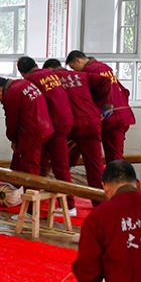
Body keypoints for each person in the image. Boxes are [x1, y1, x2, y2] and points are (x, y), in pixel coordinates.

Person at [18, 56, 75, 211]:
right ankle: (39, 200)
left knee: (58, 166)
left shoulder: (30, 81)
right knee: (46, 164)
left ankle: (68, 206)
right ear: (36, 65)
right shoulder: (51, 74)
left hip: (53, 125)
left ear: (22, 74)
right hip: (66, 120)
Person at [42, 58, 104, 195]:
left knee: (60, 163)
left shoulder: (52, 79)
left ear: (49, 70)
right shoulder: (80, 75)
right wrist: (102, 106)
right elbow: (105, 81)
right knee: (95, 167)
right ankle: (100, 201)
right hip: (92, 123)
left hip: (71, 126)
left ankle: (66, 200)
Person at [66, 50, 136, 163]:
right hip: (122, 115)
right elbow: (125, 91)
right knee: (115, 156)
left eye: (73, 68)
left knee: (111, 159)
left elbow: (85, 98)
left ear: (78, 61)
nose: (75, 72)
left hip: (110, 119)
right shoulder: (104, 67)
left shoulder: (89, 71)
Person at [0, 76, 53, 176]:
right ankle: (17, 182)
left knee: (29, 166)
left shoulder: (11, 94)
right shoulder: (23, 83)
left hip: (33, 132)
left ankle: (31, 185)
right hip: (46, 128)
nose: (0, 101)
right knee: (28, 162)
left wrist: (13, 139)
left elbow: (11, 120)